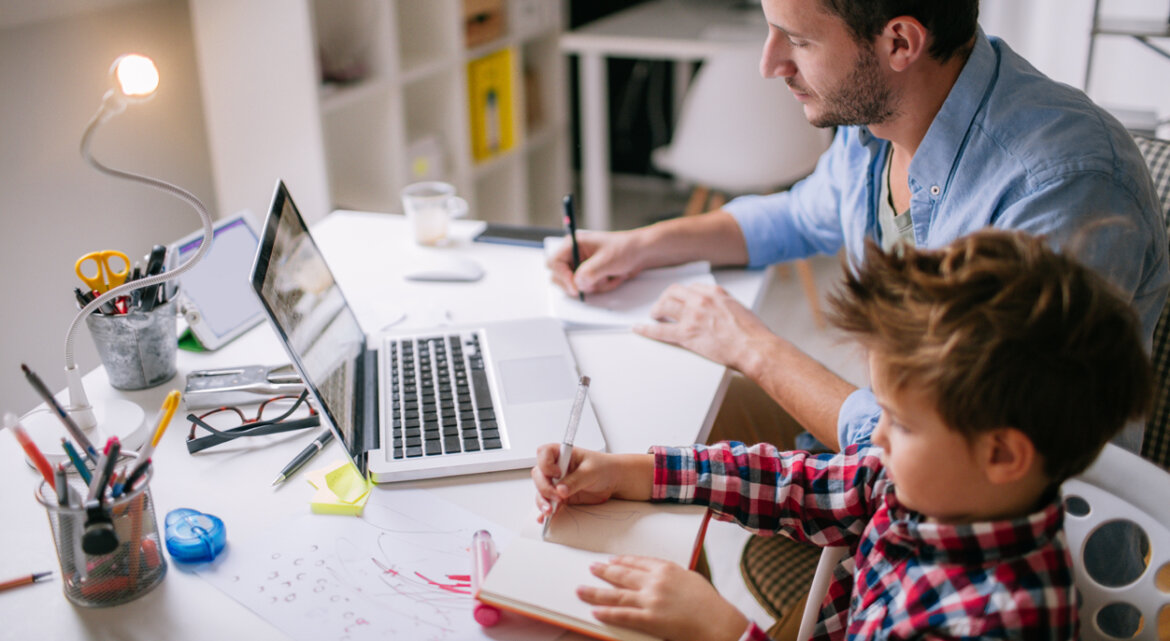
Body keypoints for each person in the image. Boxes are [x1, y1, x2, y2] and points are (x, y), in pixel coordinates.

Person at [547, 0, 1168, 455]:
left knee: (666, 465)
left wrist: (754, 349)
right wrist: (644, 243)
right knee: (651, 425)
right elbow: (800, 213)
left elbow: (965, 450)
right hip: (890, 450)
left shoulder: (1059, 188)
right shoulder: (878, 119)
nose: (770, 64)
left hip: (984, 537)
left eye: (797, 40)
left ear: (900, 42)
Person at [532, 230, 1153, 641]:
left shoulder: (992, 621)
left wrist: (722, 631)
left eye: (901, 423)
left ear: (1001, 455)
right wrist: (626, 471)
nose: (874, 436)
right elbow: (792, 484)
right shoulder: (926, 485)